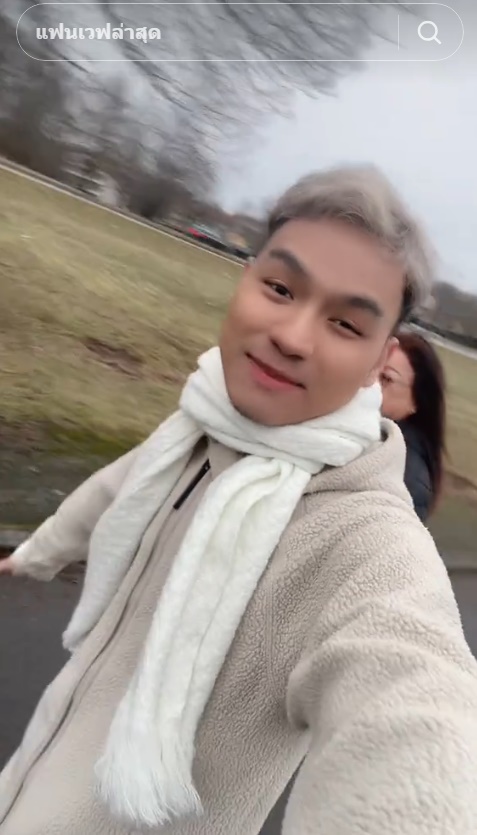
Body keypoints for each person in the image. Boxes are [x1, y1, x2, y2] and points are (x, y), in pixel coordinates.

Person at [1, 164, 477, 835]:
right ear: (245, 279)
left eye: (345, 323)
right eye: (280, 288)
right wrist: (37, 552)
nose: (292, 336)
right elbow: (119, 486)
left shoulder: (364, 539)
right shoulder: (200, 424)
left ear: (379, 362)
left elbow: (416, 705)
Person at [380, 330, 446, 522]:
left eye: (386, 379)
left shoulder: (406, 480)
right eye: (371, 369)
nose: (370, 384)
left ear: (416, 401)